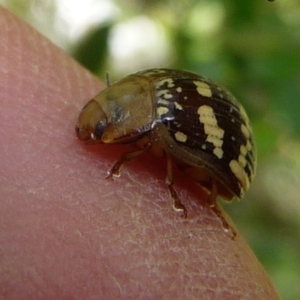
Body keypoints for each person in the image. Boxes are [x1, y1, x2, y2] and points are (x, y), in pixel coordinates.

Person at [0, 6, 280, 299]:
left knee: (164, 146)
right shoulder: (150, 98)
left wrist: (167, 186)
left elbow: (163, 152)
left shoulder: (163, 120)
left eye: (100, 128)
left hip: (228, 154)